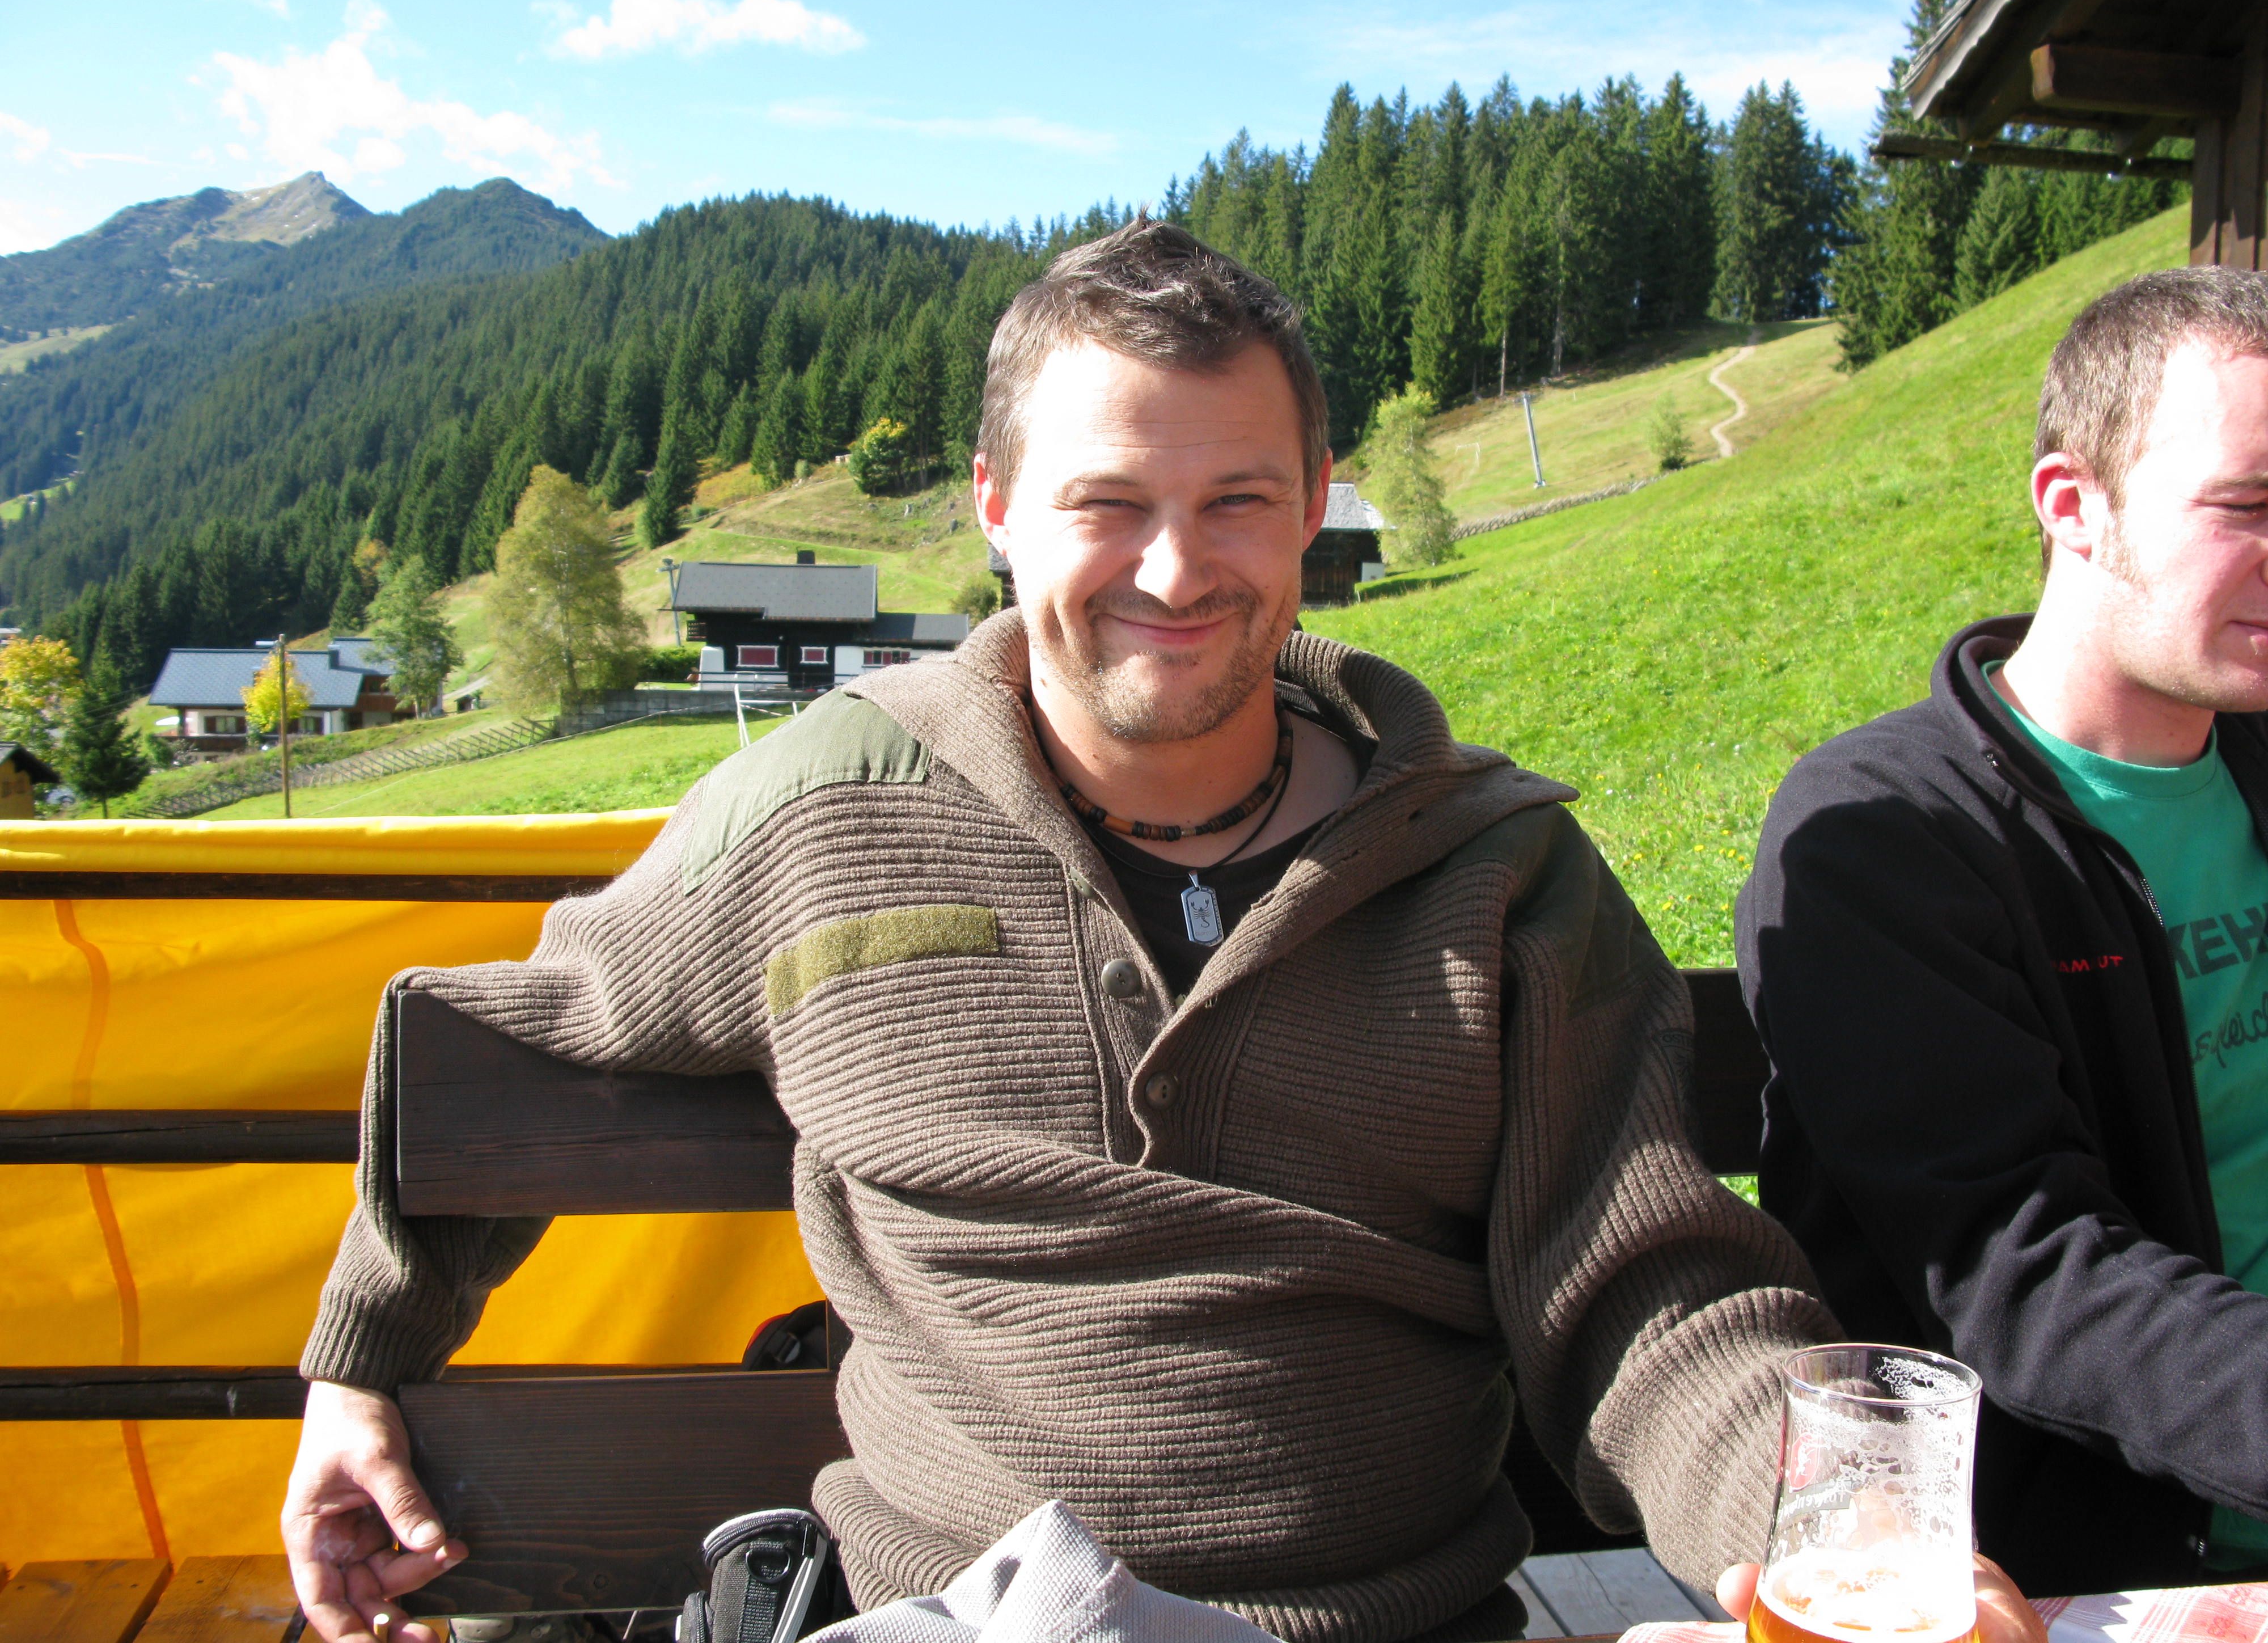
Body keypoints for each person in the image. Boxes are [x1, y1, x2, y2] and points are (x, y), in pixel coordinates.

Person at [286, 219, 1908, 1643]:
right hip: (955, 1622)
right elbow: (513, 1041)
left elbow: (1648, 1299)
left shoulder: (1496, 870)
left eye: (1236, 500)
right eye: (1107, 503)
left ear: (1314, 503)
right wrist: (358, 1368)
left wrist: (1836, 1545)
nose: (1175, 570)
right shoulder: (827, 804)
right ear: (996, 505)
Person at [1738, 266, 2268, 1599]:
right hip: (2101, 1577)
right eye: (2246, 507)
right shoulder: (1882, 837)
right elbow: (2016, 1263)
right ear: (2070, 506)